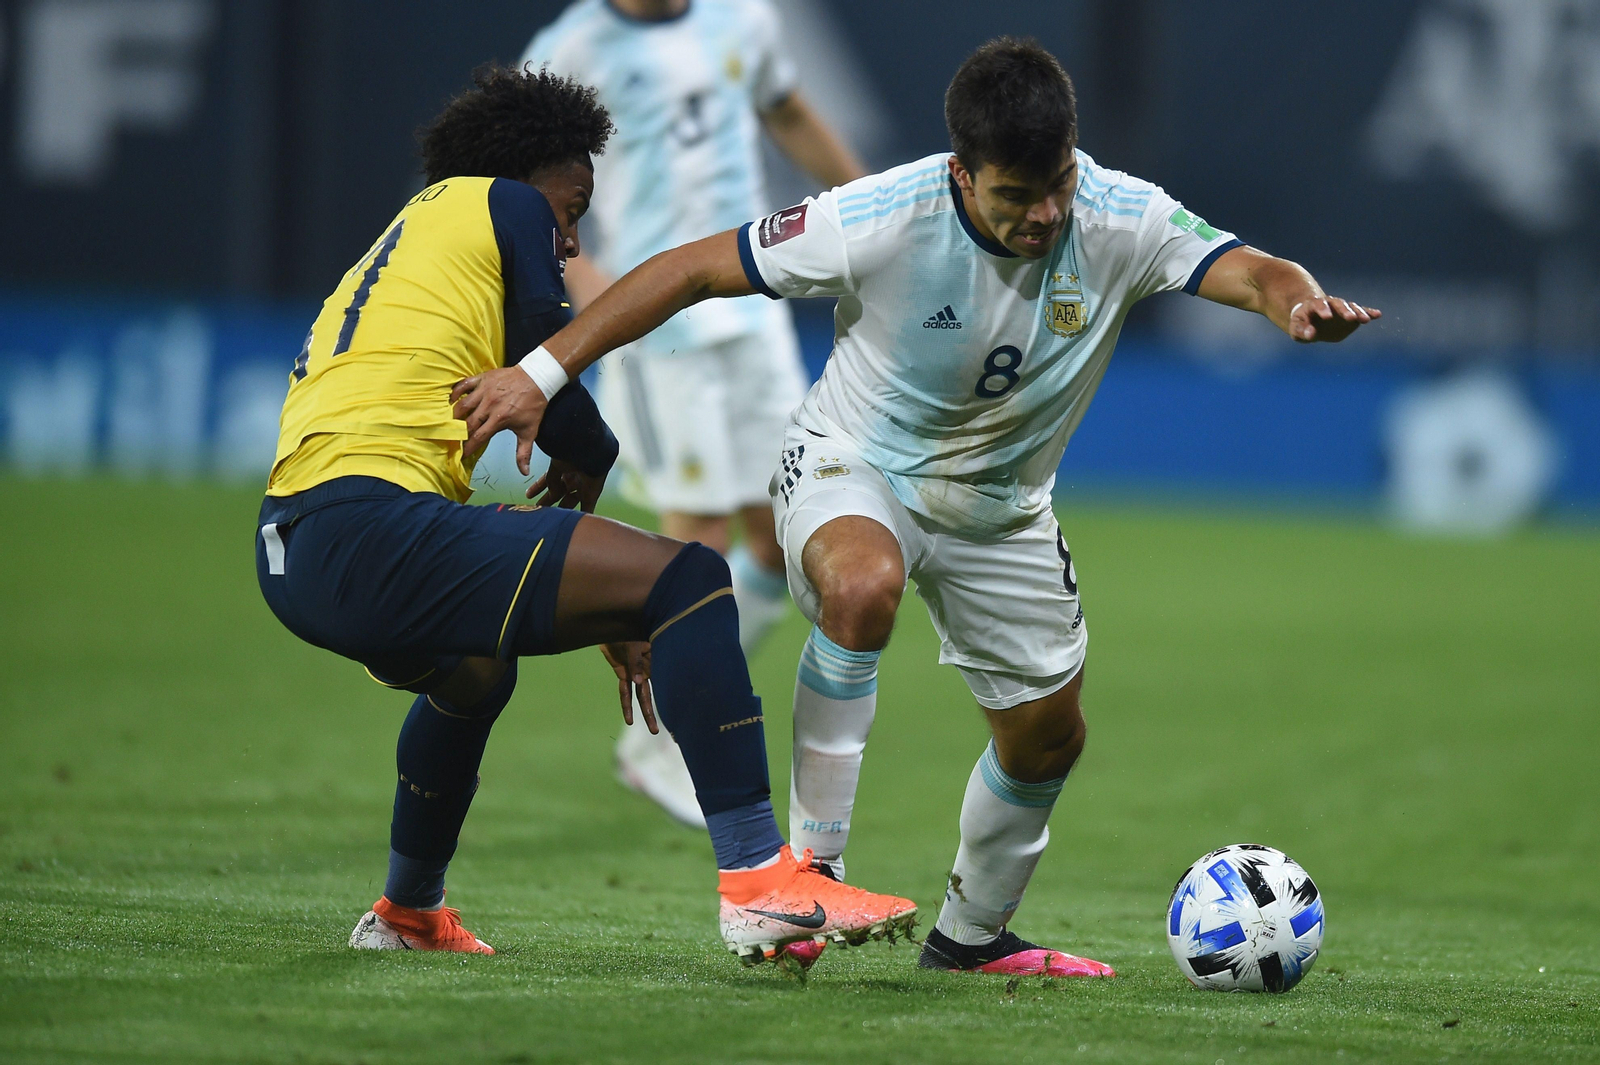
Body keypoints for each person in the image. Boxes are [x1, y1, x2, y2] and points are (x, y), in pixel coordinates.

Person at [449, 39, 1381, 976]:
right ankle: (808, 874)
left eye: (1057, 183)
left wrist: (1296, 305)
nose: (1046, 213)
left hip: (1003, 507)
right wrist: (541, 371)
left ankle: (970, 939)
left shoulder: (1118, 213)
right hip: (855, 464)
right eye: (1018, 195)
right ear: (962, 174)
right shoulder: (881, 215)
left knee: (1049, 736)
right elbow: (691, 268)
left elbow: (1254, 269)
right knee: (863, 586)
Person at [254, 65, 914, 966]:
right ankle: (762, 884)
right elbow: (547, 361)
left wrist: (605, 589)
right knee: (686, 577)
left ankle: (407, 911)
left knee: (476, 673)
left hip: (295, 547)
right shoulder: (504, 204)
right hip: (366, 527)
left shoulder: (407, 240)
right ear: (528, 177)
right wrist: (594, 455)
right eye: (573, 206)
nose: (569, 238)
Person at [520, 0, 866, 830]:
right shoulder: (572, 47)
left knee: (787, 540)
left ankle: (665, 729)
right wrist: (592, 284)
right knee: (694, 544)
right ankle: (671, 739)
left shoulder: (742, 19)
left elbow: (784, 107)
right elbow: (515, 188)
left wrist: (866, 208)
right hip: (659, 330)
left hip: (751, 309)